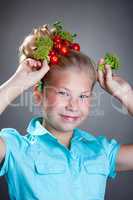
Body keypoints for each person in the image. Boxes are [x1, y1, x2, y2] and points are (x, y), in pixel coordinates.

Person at [0, 23, 133, 200]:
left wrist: (127, 96)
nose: (73, 105)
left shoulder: (100, 151)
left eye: (83, 96)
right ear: (39, 94)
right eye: (63, 93)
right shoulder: (15, 149)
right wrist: (17, 83)